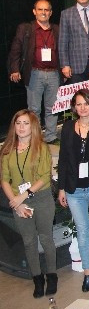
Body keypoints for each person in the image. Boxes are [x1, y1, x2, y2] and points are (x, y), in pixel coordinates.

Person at [0, 110, 58, 298]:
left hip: (41, 199)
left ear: (32, 126)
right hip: (19, 203)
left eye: (25, 123)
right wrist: (16, 203)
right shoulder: (7, 151)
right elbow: (4, 180)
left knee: (46, 239)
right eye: (18, 123)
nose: (21, 127)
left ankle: (52, 276)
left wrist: (23, 196)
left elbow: (44, 177)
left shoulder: (41, 147)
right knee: (29, 242)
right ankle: (37, 279)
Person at [57, 89, 89, 292]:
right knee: (82, 231)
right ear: (74, 107)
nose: (82, 107)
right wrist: (61, 188)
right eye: (78, 104)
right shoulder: (68, 127)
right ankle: (87, 271)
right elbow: (63, 159)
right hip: (74, 189)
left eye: (86, 103)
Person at [8, 0, 61, 144]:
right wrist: (14, 69)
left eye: (46, 10)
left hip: (54, 74)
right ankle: (36, 139)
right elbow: (16, 49)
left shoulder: (57, 29)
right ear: (34, 11)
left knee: (52, 108)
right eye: (40, 9)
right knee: (34, 109)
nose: (43, 12)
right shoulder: (26, 29)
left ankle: (50, 136)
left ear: (50, 12)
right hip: (34, 74)